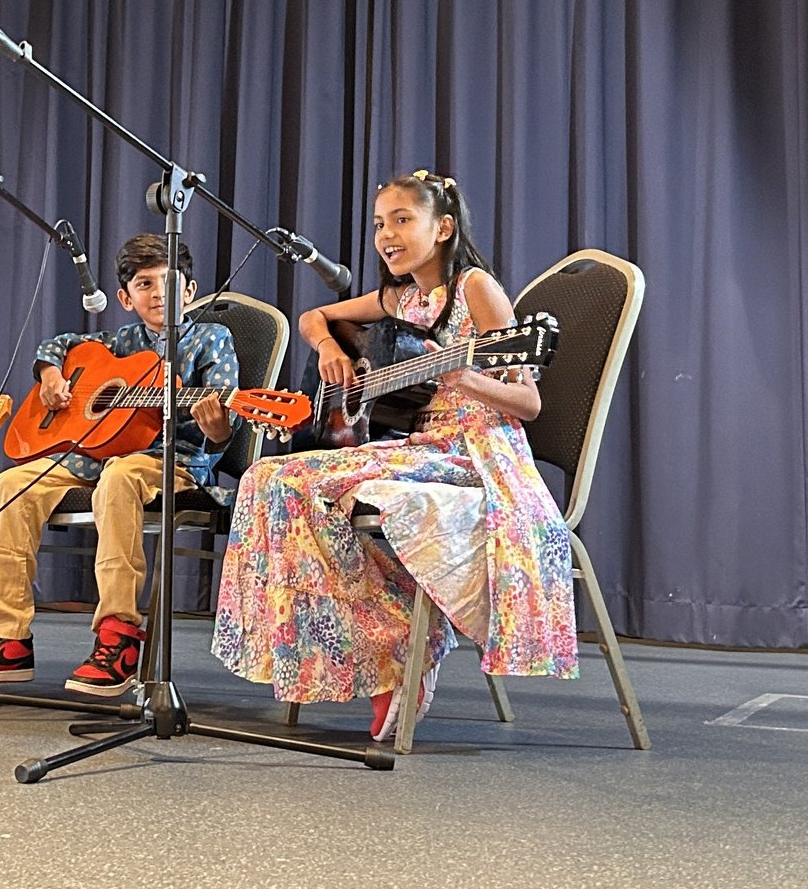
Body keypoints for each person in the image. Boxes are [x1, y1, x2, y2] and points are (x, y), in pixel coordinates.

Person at [211, 170, 577, 740]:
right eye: (380, 223)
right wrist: (330, 348)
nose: (387, 234)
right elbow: (314, 317)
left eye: (403, 220)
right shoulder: (396, 296)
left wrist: (463, 376)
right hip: (413, 445)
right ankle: (400, 632)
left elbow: (527, 401)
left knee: (294, 486)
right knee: (267, 478)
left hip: (471, 451)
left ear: (444, 227)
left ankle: (402, 649)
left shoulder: (476, 288)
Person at [0, 233, 240, 697]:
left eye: (169, 283)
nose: (158, 294)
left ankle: (119, 634)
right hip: (99, 457)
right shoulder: (122, 340)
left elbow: (221, 432)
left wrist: (218, 426)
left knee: (121, 475)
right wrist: (50, 373)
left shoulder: (213, 338)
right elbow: (59, 344)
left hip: (175, 463)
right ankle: (8, 639)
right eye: (145, 285)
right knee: (13, 482)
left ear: (189, 292)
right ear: (126, 299)